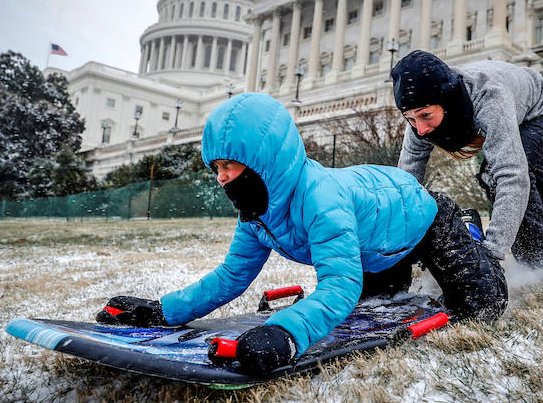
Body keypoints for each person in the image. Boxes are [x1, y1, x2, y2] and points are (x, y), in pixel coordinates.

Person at [96, 92, 506, 375]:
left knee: (483, 305)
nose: (222, 180)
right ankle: (404, 268)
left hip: (421, 220)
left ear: (263, 160)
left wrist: (287, 333)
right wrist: (164, 312)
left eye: (228, 167)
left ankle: (467, 227)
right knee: (380, 305)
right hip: (374, 250)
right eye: (215, 169)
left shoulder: (319, 198)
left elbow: (338, 286)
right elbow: (231, 277)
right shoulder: (256, 215)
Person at [391, 50, 543, 272]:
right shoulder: (419, 112)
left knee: (498, 176)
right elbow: (406, 183)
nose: (420, 129)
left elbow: (511, 176)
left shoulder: (488, 98)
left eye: (425, 116)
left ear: (447, 100)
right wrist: (401, 243)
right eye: (410, 119)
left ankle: (540, 265)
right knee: (539, 195)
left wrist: (491, 251)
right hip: (515, 112)